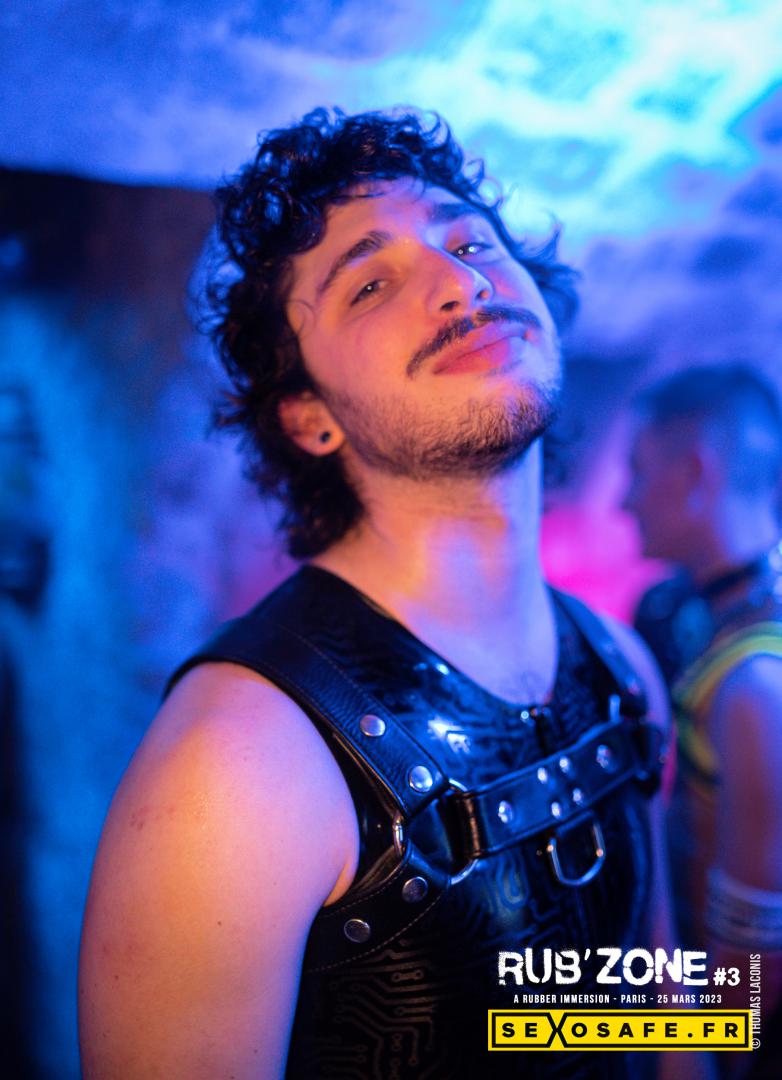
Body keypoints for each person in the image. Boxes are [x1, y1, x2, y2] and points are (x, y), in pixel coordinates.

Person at [80, 108, 676, 1079]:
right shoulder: (236, 763)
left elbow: (653, 1017)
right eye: (369, 284)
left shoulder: (622, 668)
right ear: (308, 416)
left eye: (471, 242)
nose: (460, 282)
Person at [624, 364, 782, 1076]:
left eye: (638, 471)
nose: (624, 500)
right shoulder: (690, 613)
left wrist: (684, 1056)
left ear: (693, 473)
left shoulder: (757, 682)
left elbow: (754, 968)